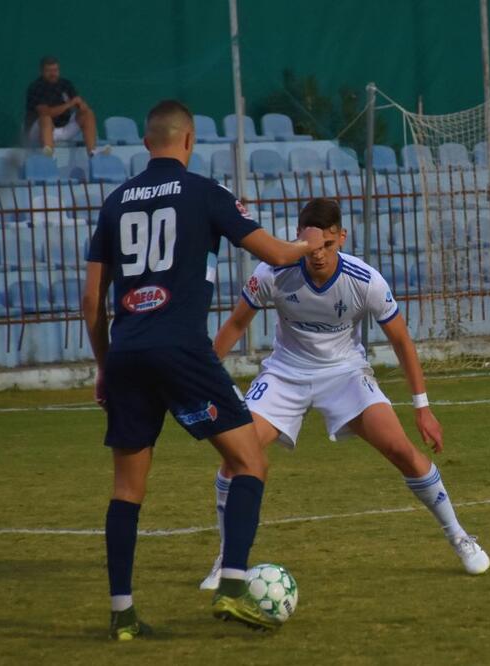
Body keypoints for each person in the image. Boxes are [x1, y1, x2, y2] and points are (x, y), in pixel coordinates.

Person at [82, 99, 324, 639]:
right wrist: (310, 242)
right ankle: (233, 588)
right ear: (189, 141)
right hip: (181, 349)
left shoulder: (115, 202)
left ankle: (122, 614)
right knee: (249, 461)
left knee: (126, 490)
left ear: (148, 143)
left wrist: (105, 366)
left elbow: (91, 298)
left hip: (126, 351)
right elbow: (276, 255)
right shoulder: (204, 194)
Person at [199, 198, 490, 592]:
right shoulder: (272, 272)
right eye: (310, 246)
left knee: (402, 450)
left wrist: (423, 408)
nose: (318, 256)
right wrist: (201, 377)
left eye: (328, 246)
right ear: (298, 239)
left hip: (345, 373)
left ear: (341, 238)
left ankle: (459, 536)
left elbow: (402, 341)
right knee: (236, 457)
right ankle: (226, 559)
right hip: (285, 374)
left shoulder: (366, 280)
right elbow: (234, 325)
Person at [24, 56, 104, 157]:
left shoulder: (65, 84)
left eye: (55, 70)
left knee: (88, 114)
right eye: (49, 71)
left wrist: (82, 105)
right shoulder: (36, 87)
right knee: (46, 119)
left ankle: (92, 153)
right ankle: (48, 157)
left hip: (63, 128)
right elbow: (45, 112)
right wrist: (69, 104)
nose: (53, 74)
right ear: (42, 71)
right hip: (40, 130)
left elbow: (80, 104)